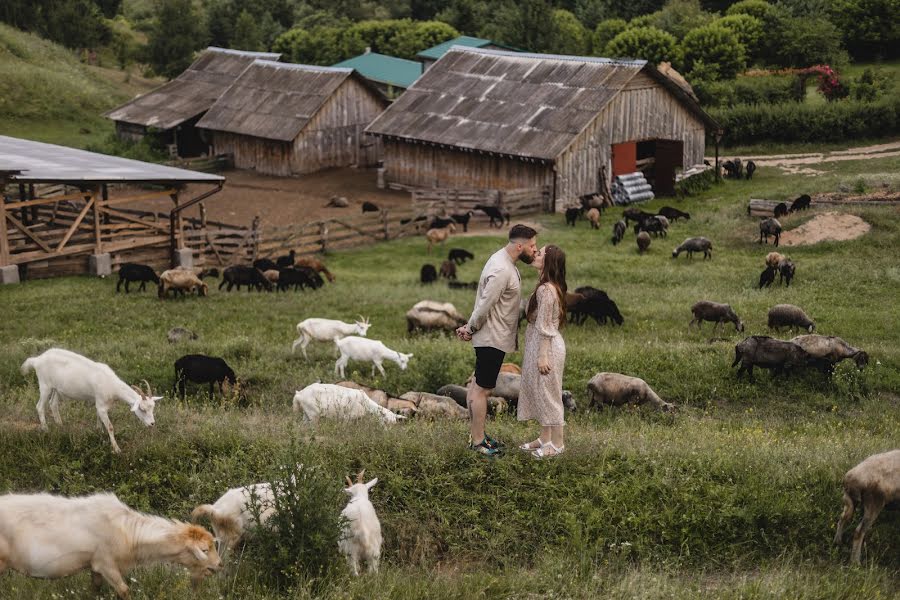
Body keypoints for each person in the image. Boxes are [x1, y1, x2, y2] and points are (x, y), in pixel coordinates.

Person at [456, 224, 538, 457]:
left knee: (476, 387)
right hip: (491, 337)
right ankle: (479, 442)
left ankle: (477, 436)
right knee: (482, 390)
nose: (535, 250)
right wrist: (470, 327)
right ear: (519, 246)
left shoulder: (502, 260)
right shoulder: (502, 269)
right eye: (532, 246)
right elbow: (485, 304)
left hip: (491, 336)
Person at [517, 244, 567, 458]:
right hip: (540, 344)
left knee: (549, 394)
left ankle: (557, 444)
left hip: (545, 347)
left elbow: (545, 325)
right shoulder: (546, 285)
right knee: (541, 391)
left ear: (548, 261)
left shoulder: (546, 290)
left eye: (540, 253)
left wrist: (542, 355)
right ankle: (544, 438)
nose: (535, 254)